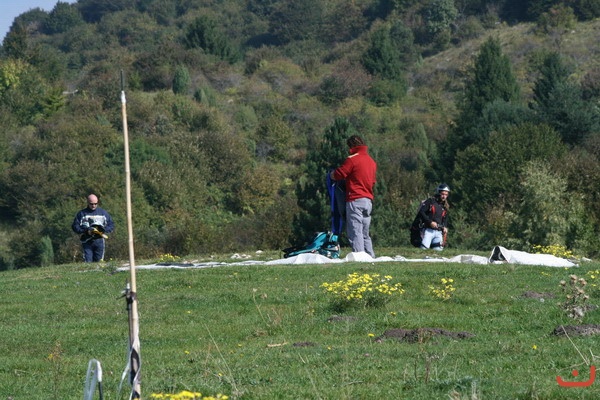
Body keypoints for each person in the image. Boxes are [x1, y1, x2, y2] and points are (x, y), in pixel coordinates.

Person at [330, 135, 377, 257]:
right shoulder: (371, 161)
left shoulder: (352, 159)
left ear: (351, 146)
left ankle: (359, 256)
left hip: (355, 199)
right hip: (368, 200)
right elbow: (372, 182)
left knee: (355, 231)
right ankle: (370, 256)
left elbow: (339, 174)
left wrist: (331, 175)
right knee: (365, 232)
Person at [72, 194, 114, 262]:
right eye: (91, 204)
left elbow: (111, 225)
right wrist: (85, 231)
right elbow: (75, 226)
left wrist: (103, 230)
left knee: (99, 262)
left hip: (99, 241)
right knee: (88, 261)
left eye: (95, 204)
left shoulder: (103, 213)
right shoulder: (82, 214)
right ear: (88, 203)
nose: (93, 205)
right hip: (86, 240)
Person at [418, 183, 450, 251]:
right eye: (443, 194)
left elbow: (445, 218)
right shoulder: (430, 201)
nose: (444, 196)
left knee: (438, 252)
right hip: (428, 230)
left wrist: (445, 227)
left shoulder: (445, 206)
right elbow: (421, 212)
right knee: (423, 250)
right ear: (438, 193)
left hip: (438, 232)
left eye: (446, 195)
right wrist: (430, 222)